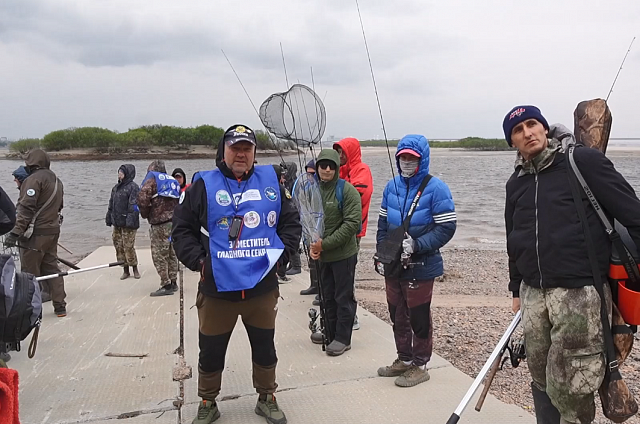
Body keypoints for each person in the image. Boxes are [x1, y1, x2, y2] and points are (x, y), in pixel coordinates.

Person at [503, 105, 640, 424]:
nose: (527, 132)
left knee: (575, 383)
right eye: (518, 130)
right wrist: (515, 288)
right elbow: (514, 239)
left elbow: (634, 217)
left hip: (580, 294)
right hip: (533, 295)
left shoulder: (582, 162)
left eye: (532, 124)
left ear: (545, 128)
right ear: (512, 142)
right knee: (540, 376)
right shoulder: (516, 182)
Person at [172, 124, 301, 424]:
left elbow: (291, 223)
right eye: (235, 148)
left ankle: (267, 397)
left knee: (265, 346)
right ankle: (208, 401)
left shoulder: (272, 181)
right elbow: (181, 230)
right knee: (211, 350)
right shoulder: (203, 185)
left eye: (247, 148)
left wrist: (280, 260)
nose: (241, 154)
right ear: (224, 150)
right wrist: (202, 264)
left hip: (261, 289)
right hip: (218, 290)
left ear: (254, 152)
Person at [376, 135, 456, 388]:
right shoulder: (391, 187)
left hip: (422, 265)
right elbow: (381, 224)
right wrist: (381, 252)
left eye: (412, 158)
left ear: (422, 159)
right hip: (393, 266)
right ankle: (403, 358)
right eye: (403, 157)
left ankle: (420, 364)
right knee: (396, 314)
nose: (406, 162)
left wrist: (418, 244)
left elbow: (447, 227)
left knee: (418, 316)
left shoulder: (437, 188)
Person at [309, 149, 361, 356]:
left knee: (343, 297)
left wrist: (325, 244)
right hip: (323, 256)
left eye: (331, 166)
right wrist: (313, 247)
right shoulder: (313, 190)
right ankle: (329, 331)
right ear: (318, 168)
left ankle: (342, 337)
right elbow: (308, 220)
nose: (327, 169)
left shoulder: (347, 191)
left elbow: (351, 224)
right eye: (323, 166)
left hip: (343, 256)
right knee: (326, 296)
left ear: (337, 168)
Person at [4, 149, 67, 317]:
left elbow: (26, 209)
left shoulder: (33, 180)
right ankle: (60, 306)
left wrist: (15, 233)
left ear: (31, 163)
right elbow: (60, 206)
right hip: (53, 231)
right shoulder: (56, 180)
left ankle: (30, 311)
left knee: (29, 274)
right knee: (52, 268)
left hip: (35, 235)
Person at [333, 137, 374, 330]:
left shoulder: (362, 170)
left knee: (346, 276)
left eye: (342, 152)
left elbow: (358, 197)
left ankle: (351, 317)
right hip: (334, 231)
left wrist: (333, 203)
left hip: (352, 233)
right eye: (337, 151)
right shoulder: (338, 171)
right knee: (334, 276)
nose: (339, 155)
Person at [137, 160, 179, 297]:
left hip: (159, 224)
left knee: (159, 255)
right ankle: (173, 282)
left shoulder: (152, 180)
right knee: (172, 253)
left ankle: (165, 284)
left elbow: (142, 198)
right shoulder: (173, 181)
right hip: (174, 222)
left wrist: (145, 214)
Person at [106, 164, 141, 280]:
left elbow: (133, 205)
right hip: (117, 223)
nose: (119, 174)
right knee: (118, 246)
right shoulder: (115, 188)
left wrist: (129, 220)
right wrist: (109, 216)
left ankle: (134, 268)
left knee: (128, 246)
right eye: (119, 172)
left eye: (121, 172)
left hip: (128, 224)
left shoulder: (133, 187)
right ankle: (125, 270)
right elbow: (111, 203)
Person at [300, 159, 319, 296]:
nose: (310, 177)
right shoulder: (306, 187)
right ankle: (313, 284)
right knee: (311, 258)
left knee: (319, 260)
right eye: (308, 174)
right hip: (308, 226)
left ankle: (320, 288)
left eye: (313, 174)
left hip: (319, 228)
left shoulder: (320, 188)